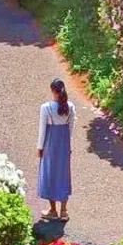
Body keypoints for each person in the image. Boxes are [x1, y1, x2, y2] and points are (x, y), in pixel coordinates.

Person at [37, 77, 74, 221]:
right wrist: (68, 144)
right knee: (63, 174)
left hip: (50, 143)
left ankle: (52, 210)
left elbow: (42, 129)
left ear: (52, 90)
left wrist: (40, 147)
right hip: (64, 143)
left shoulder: (46, 108)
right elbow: (71, 127)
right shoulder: (70, 107)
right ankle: (64, 211)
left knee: (50, 173)